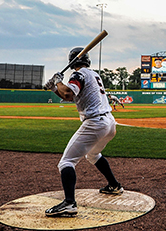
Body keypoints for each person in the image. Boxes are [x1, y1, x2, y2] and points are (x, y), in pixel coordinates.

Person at [43, 47, 123, 217]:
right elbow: (68, 95)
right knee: (93, 155)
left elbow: (68, 94)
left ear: (72, 62)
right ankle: (114, 185)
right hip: (109, 123)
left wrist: (58, 81)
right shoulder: (93, 74)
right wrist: (54, 87)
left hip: (95, 123)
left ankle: (69, 204)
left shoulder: (78, 74)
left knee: (66, 162)